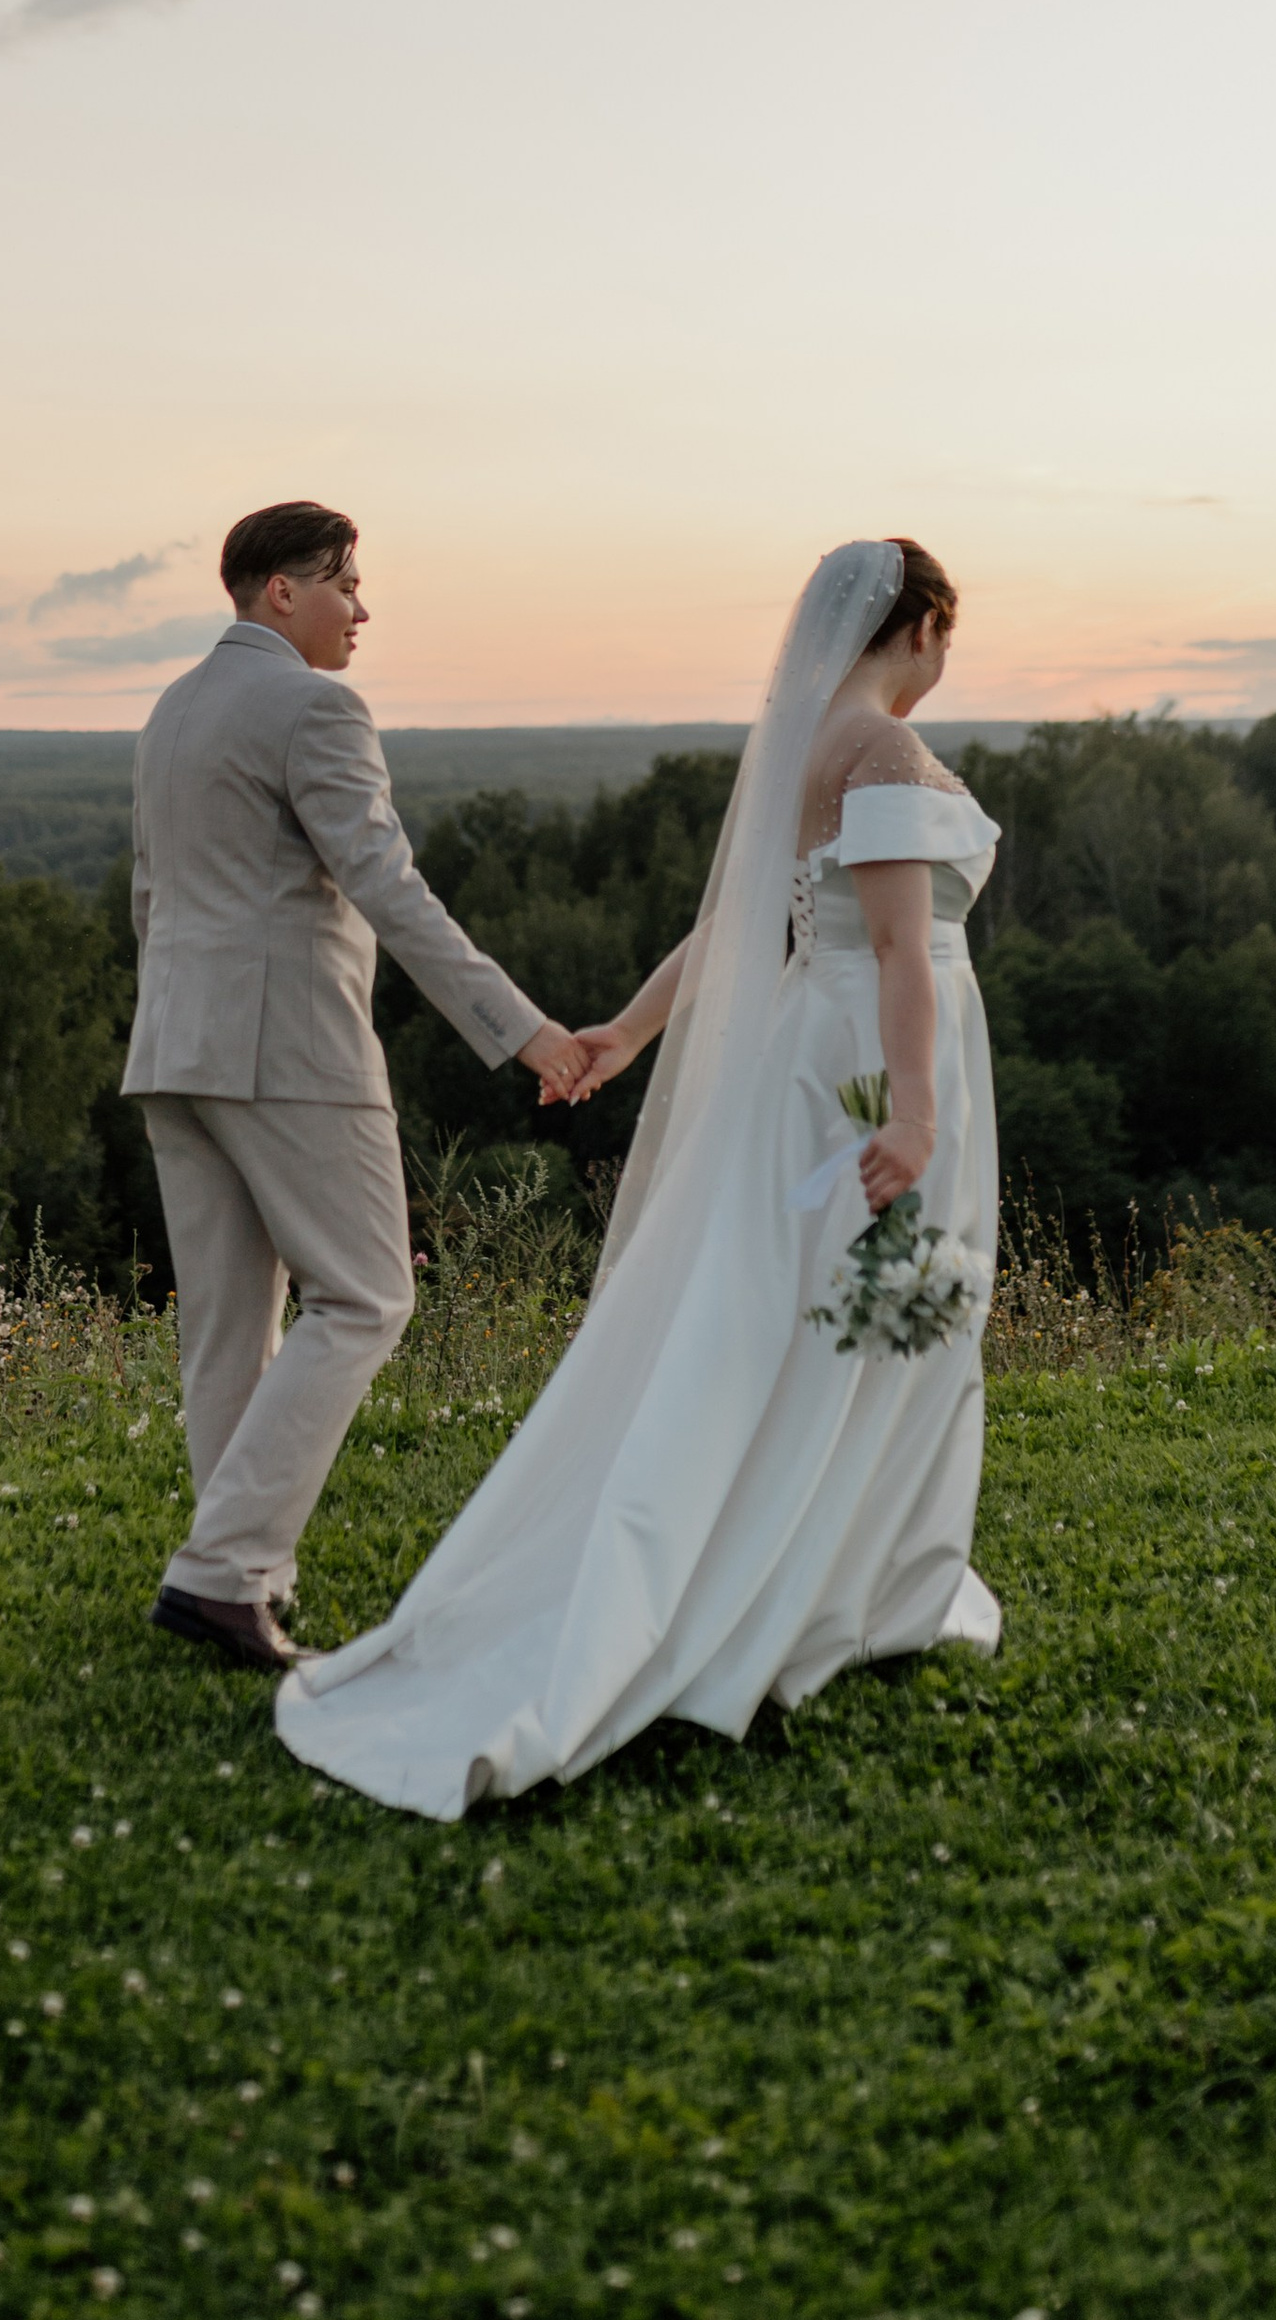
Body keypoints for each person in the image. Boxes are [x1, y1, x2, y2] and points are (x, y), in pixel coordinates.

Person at [274, 537, 1003, 1812]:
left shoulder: (805, 741)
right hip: (872, 1058)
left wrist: (625, 1027)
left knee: (810, 1311)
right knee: (866, 1310)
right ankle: (825, 1583)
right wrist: (919, 1111)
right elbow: (894, 945)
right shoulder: (879, 748)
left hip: (815, 1040)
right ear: (924, 627)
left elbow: (731, 925)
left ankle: (850, 1567)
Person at [124, 501, 588, 1671]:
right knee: (369, 1295)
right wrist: (522, 1029)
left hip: (174, 1047)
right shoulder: (316, 704)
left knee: (227, 1328)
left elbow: (149, 897)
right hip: (289, 1052)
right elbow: (389, 887)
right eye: (344, 583)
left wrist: (177, 1022)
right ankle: (220, 1571)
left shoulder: (173, 707)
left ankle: (236, 1580)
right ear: (280, 590)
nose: (360, 608)